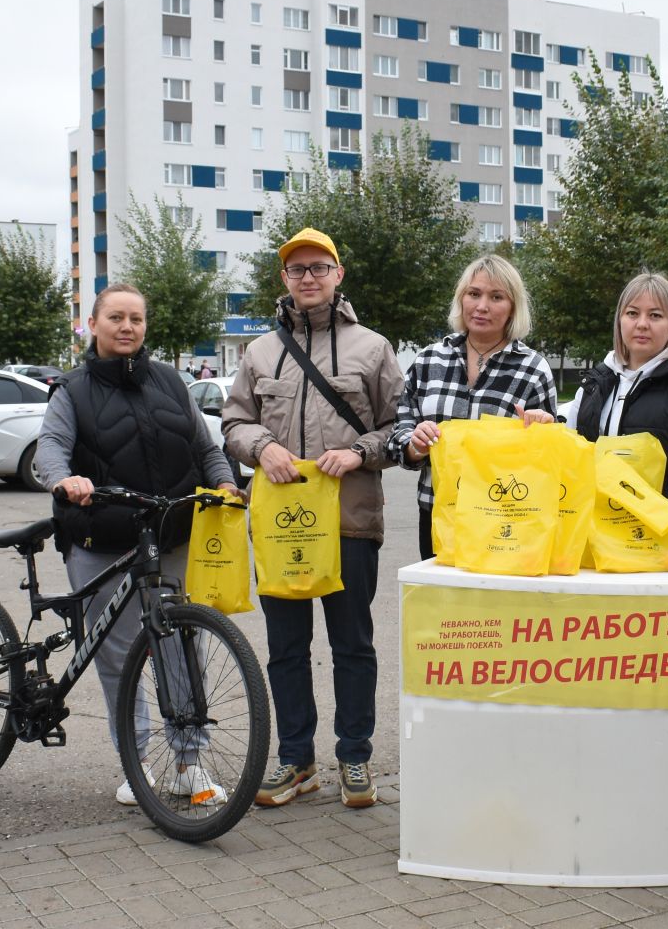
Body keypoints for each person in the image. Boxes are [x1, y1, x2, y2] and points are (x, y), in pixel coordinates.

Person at [34, 282, 242, 808]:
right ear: (95, 326)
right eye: (116, 318)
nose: (128, 327)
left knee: (179, 642)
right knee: (118, 654)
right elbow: (51, 450)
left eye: (136, 319)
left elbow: (203, 446)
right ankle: (137, 762)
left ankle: (188, 763)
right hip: (101, 539)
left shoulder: (170, 381)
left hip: (169, 533)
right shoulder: (72, 389)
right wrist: (66, 481)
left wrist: (223, 482)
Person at [222, 228, 402, 809]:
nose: (308, 277)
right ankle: (296, 758)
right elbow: (234, 423)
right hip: (281, 527)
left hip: (350, 521)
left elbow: (400, 428)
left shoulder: (372, 348)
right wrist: (260, 447)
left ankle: (355, 757)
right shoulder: (259, 353)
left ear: (338, 274)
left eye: (318, 267)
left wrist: (359, 453)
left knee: (353, 645)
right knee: (285, 649)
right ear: (284, 279)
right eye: (297, 269)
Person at [560, 271, 668, 578]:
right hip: (594, 554)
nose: (642, 324)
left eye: (655, 315)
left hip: (662, 555)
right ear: (620, 321)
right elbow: (568, 458)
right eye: (632, 313)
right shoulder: (594, 385)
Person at [388, 254, 559, 561]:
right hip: (438, 512)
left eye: (496, 297)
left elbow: (551, 456)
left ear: (512, 308)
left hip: (505, 517)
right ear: (461, 299)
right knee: (441, 608)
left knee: (494, 610)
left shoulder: (533, 369)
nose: (482, 306)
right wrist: (414, 444)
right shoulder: (429, 360)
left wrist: (541, 430)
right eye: (474, 294)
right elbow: (398, 433)